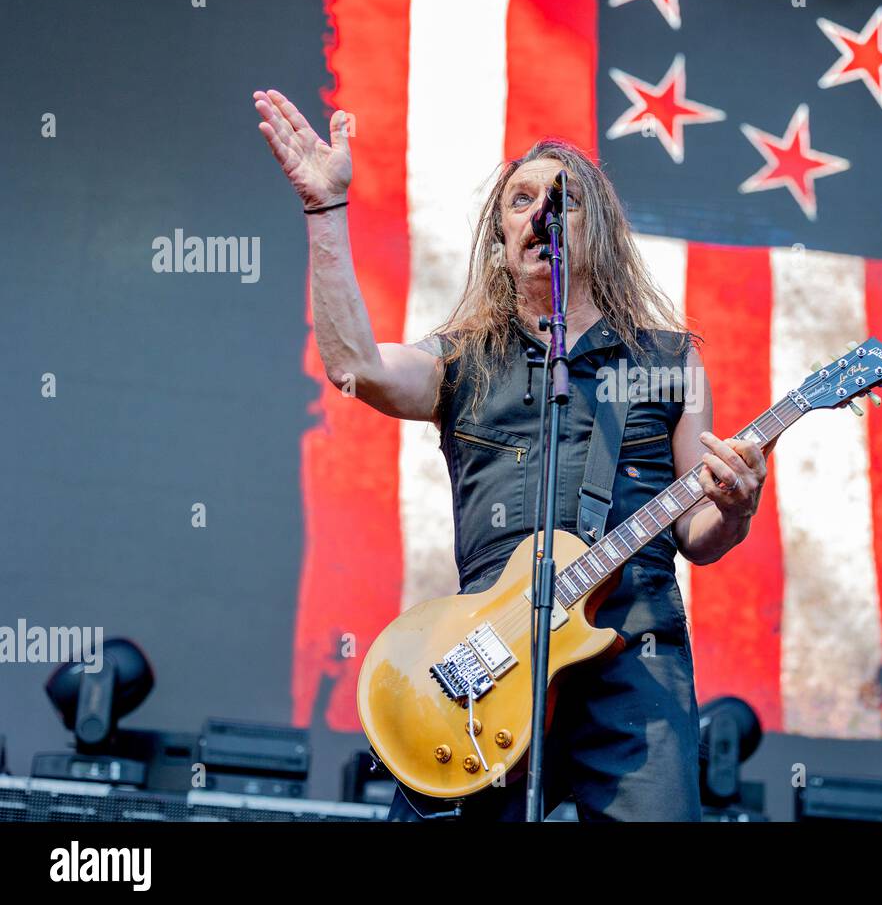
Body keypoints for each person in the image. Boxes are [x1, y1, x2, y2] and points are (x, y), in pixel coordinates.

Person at [252, 88, 773, 821]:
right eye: (521, 201)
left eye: (564, 200)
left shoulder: (669, 362)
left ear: (601, 232)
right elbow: (356, 368)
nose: (540, 213)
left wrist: (736, 507)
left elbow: (698, 535)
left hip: (634, 653)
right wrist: (325, 210)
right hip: (491, 658)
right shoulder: (464, 359)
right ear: (501, 241)